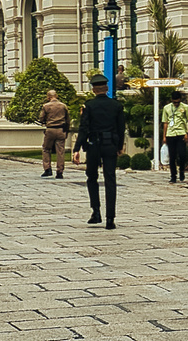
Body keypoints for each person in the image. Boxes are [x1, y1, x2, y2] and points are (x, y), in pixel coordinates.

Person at [72, 73, 125, 229]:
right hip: (110, 145)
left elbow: (83, 128)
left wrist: (76, 149)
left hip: (94, 145)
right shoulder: (116, 105)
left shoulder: (88, 106)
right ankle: (110, 219)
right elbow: (121, 128)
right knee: (110, 180)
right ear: (107, 88)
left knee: (92, 178)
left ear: (94, 89)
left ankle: (96, 212)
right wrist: (120, 146)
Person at [162, 89, 188, 184]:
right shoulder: (167, 108)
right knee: (172, 156)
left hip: (181, 133)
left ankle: (182, 171)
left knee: (182, 154)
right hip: (171, 134)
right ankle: (173, 175)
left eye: (177, 102)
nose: (176, 104)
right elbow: (165, 123)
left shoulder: (185, 107)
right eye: (174, 102)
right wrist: (164, 136)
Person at [37, 90, 70, 178]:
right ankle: (60, 171)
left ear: (48, 97)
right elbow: (68, 119)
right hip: (61, 129)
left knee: (46, 148)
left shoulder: (46, 106)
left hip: (50, 129)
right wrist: (66, 130)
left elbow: (41, 118)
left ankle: (47, 168)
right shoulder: (63, 106)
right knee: (60, 151)